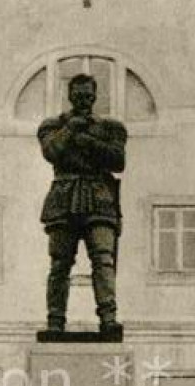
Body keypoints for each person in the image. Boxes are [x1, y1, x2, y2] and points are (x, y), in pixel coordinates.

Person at [37, 73, 127, 336]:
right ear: (69, 96)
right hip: (64, 196)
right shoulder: (51, 126)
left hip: (99, 197)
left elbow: (118, 160)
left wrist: (87, 140)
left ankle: (108, 318)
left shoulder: (112, 128)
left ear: (95, 96)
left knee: (103, 258)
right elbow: (51, 151)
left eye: (88, 95)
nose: (84, 100)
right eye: (78, 95)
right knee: (60, 262)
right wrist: (72, 129)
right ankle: (55, 320)